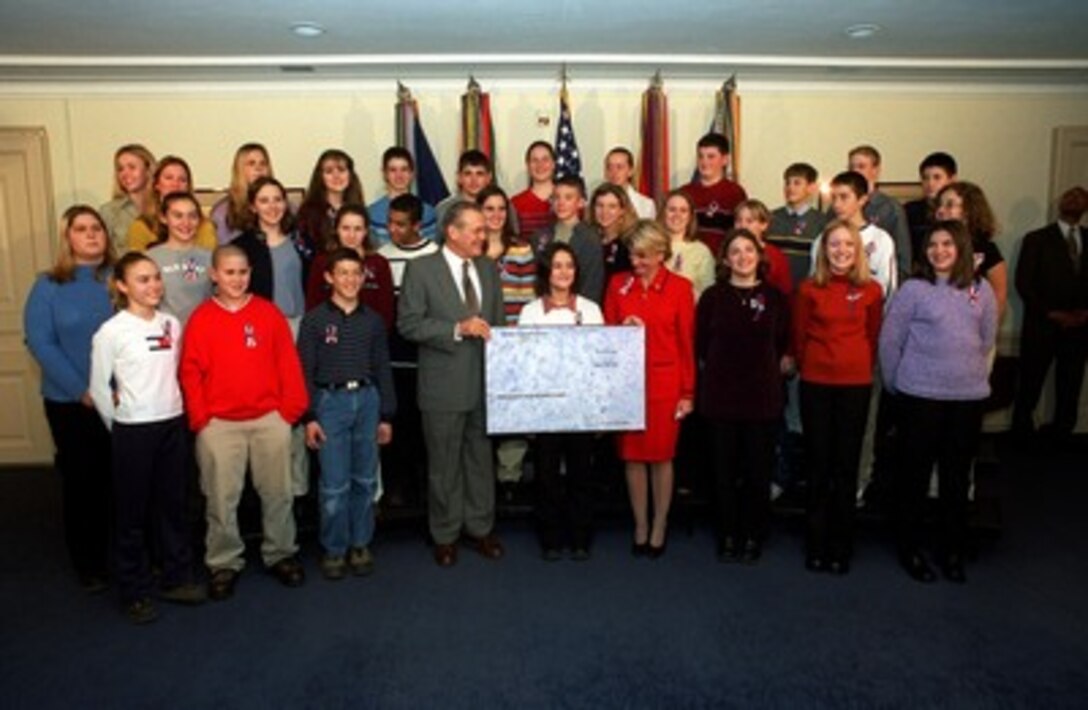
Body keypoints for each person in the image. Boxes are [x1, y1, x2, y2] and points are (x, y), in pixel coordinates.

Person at [179, 245, 309, 600]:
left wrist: (288, 414)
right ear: (214, 275)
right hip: (219, 424)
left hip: (270, 420)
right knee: (221, 498)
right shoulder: (202, 319)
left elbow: (289, 366)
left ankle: (280, 553)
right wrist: (201, 419)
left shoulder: (269, 314)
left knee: (278, 493)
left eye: (243, 272)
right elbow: (190, 373)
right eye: (229, 272)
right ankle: (224, 561)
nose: (237, 279)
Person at [880, 220, 997, 584]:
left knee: (956, 479)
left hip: (966, 400)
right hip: (919, 397)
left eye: (947, 244)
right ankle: (910, 549)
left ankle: (952, 550)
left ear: (961, 248)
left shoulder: (982, 289)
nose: (939, 251)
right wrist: (896, 384)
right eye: (932, 244)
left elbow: (988, 337)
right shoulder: (913, 289)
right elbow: (889, 342)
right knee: (913, 478)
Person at [89, 252, 204, 623]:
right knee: (132, 513)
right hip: (133, 431)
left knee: (173, 506)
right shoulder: (111, 332)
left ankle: (175, 577)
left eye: (156, 277)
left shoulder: (171, 323)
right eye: (142, 279)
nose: (153, 285)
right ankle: (133, 589)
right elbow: (99, 389)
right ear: (122, 286)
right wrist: (121, 425)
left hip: (172, 424)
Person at [397, 202, 506, 567]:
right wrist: (457, 329)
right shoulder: (421, 269)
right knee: (444, 464)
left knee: (480, 460)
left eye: (483, 229)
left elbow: (499, 324)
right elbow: (409, 324)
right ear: (452, 232)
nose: (483, 234)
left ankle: (481, 528)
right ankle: (445, 533)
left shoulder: (489, 269)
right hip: (442, 386)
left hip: (484, 384)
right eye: (475, 229)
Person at [24, 205, 116, 594]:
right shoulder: (48, 285)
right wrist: (83, 389)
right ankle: (88, 562)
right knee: (82, 482)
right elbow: (40, 343)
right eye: (82, 229)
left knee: (117, 480)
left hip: (120, 399)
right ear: (68, 237)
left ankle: (120, 554)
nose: (92, 235)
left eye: (97, 228)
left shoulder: (118, 279)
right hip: (69, 401)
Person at [298, 248, 396, 580]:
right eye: (343, 273)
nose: (350, 280)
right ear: (329, 278)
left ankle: (360, 543)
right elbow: (305, 371)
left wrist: (386, 415)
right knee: (334, 484)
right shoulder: (314, 320)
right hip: (330, 402)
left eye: (356, 273)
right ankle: (335, 548)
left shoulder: (373, 321)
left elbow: (383, 367)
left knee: (365, 480)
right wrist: (310, 416)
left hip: (367, 400)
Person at [793, 219, 883, 575]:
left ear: (857, 251)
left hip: (855, 387)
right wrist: (814, 365)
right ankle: (816, 543)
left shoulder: (873, 290)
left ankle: (841, 544)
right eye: (834, 245)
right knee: (818, 466)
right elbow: (799, 339)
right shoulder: (808, 289)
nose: (841, 251)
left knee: (846, 468)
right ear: (823, 251)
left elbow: (873, 338)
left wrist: (854, 365)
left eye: (848, 245)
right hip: (815, 384)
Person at [697, 229, 790, 564]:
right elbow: (702, 347)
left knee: (756, 472)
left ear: (759, 255)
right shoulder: (711, 297)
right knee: (722, 473)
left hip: (761, 398)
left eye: (748, 250)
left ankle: (753, 535)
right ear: (725, 259)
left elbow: (780, 344)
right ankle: (727, 535)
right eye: (734, 252)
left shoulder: (776, 298)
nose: (742, 257)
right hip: (720, 397)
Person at [604, 220, 695, 558]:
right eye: (632, 254)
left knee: (661, 456)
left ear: (661, 254)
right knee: (632, 457)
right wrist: (622, 330)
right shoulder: (618, 284)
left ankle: (660, 522)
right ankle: (640, 522)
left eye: (643, 255)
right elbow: (606, 336)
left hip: (665, 384)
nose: (636, 262)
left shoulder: (680, 289)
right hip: (627, 384)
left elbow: (687, 343)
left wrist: (688, 392)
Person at [518, 242, 604, 560]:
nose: (564, 272)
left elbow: (599, 364)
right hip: (545, 409)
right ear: (546, 271)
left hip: (581, 408)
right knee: (547, 475)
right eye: (557, 265)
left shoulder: (591, 310)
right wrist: (526, 415)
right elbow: (523, 365)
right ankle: (550, 537)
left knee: (582, 474)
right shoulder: (530, 312)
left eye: (569, 265)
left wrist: (598, 414)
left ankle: (581, 537)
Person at [1012, 186, 1088, 444]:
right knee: (1030, 383)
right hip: (1041, 327)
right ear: (1060, 203)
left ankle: (1062, 434)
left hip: (1079, 329)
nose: (1074, 200)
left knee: (1070, 385)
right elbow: (1024, 283)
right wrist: (1051, 313)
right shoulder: (1037, 239)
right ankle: (1022, 434)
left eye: (1080, 197)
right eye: (1070, 196)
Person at [377, 193, 439, 509]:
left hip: (427, 355)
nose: (392, 229)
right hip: (393, 354)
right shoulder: (381, 257)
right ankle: (397, 487)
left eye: (401, 224)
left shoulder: (435, 255)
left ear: (417, 225)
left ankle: (426, 489)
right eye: (389, 222)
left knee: (424, 427)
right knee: (396, 423)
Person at [479, 184, 534, 501]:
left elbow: (529, 295)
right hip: (477, 341)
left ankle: (509, 476)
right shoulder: (469, 249)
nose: (496, 215)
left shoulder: (521, 249)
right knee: (482, 411)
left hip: (512, 342)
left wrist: (520, 340)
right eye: (489, 209)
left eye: (502, 209)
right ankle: (482, 476)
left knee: (512, 411)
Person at [232, 176, 313, 332]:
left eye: (278, 199)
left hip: (299, 324)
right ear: (253, 207)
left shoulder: (301, 242)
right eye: (264, 201)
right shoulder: (241, 247)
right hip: (259, 326)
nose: (272, 206)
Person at [305, 204, 395, 331]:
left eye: (358, 229)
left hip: (370, 336)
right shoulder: (321, 263)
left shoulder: (379, 264)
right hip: (329, 336)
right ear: (336, 229)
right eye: (345, 228)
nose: (351, 235)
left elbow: (386, 311)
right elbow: (312, 305)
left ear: (366, 231)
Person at [810, 170, 897, 297]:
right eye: (833, 198)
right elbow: (815, 280)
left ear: (862, 200)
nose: (837, 204)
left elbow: (888, 288)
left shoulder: (881, 239)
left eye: (844, 197)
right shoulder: (823, 238)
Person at [935, 181, 1007, 319]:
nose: (940, 211)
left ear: (968, 211)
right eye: (939, 205)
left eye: (949, 205)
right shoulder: (932, 247)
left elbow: (999, 298)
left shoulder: (987, 250)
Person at [533, 175, 605, 303]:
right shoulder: (540, 236)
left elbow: (592, 285)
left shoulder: (590, 239)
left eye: (568, 198)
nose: (561, 203)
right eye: (556, 197)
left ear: (581, 202)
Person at [147, 191, 214, 325]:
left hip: (201, 335)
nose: (186, 222)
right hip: (164, 336)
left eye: (192, 216)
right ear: (164, 218)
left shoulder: (211, 258)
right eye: (178, 216)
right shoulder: (149, 258)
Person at [126, 155, 218, 252]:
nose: (175, 184)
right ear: (156, 184)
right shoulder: (141, 226)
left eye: (182, 180)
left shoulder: (204, 226)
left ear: (188, 187)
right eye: (169, 178)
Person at [680, 132, 748, 258]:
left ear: (725, 159)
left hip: (721, 262)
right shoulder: (684, 193)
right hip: (689, 261)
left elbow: (741, 233)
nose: (704, 162)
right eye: (700, 156)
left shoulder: (735, 192)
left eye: (711, 157)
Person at [848, 145, 912, 277]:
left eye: (861, 166)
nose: (855, 171)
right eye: (851, 167)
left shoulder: (890, 208)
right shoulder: (837, 206)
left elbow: (902, 255)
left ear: (875, 170)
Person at [296, 149, 365, 259]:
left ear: (350, 174)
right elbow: (304, 252)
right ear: (320, 177)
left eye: (341, 170)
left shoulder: (359, 208)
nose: (336, 176)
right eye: (329, 171)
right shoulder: (308, 212)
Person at [769, 162, 827, 287]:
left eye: (797, 183)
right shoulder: (770, 217)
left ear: (811, 187)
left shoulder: (822, 222)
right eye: (787, 183)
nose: (790, 188)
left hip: (805, 289)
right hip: (774, 289)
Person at [367, 147, 438, 247]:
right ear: (384, 174)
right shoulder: (371, 213)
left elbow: (430, 251)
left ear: (412, 173)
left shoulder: (428, 212)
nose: (399, 175)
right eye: (393, 170)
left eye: (404, 169)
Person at [210, 143, 274, 245]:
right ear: (239, 169)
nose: (258, 168)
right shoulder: (223, 211)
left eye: (263, 163)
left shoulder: (286, 206)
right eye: (251, 163)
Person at [904, 152, 958, 267]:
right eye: (925, 178)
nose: (930, 183)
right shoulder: (910, 211)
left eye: (937, 177)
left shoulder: (958, 211)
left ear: (952, 180)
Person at [100, 144, 155, 251]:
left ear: (148, 170)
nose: (125, 174)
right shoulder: (109, 211)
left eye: (132, 167)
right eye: (120, 169)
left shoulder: (163, 208)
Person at [660, 189, 714, 299]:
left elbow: (708, 295)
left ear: (690, 216)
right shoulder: (651, 245)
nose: (677, 215)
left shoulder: (701, 251)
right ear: (663, 213)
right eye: (672, 209)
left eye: (683, 210)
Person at [734, 199, 794, 296]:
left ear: (764, 225)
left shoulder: (775, 256)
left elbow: (785, 293)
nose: (742, 226)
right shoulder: (728, 252)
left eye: (749, 221)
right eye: (738, 220)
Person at [588, 182, 638, 282]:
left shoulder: (630, 244)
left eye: (612, 206)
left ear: (622, 210)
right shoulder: (587, 240)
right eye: (600, 205)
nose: (604, 212)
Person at [436, 150, 493, 232]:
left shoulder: (501, 207)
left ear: (489, 177)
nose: (474, 180)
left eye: (479, 174)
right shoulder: (444, 209)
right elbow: (436, 243)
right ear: (459, 177)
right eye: (468, 174)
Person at [511, 141, 557, 241]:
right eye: (534, 160)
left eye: (545, 159)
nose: (540, 165)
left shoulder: (569, 198)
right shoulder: (515, 203)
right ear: (528, 165)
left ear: (553, 164)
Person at [604, 146, 656, 219]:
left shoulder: (646, 204)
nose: (614, 172)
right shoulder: (596, 203)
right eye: (609, 167)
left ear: (630, 171)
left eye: (619, 167)